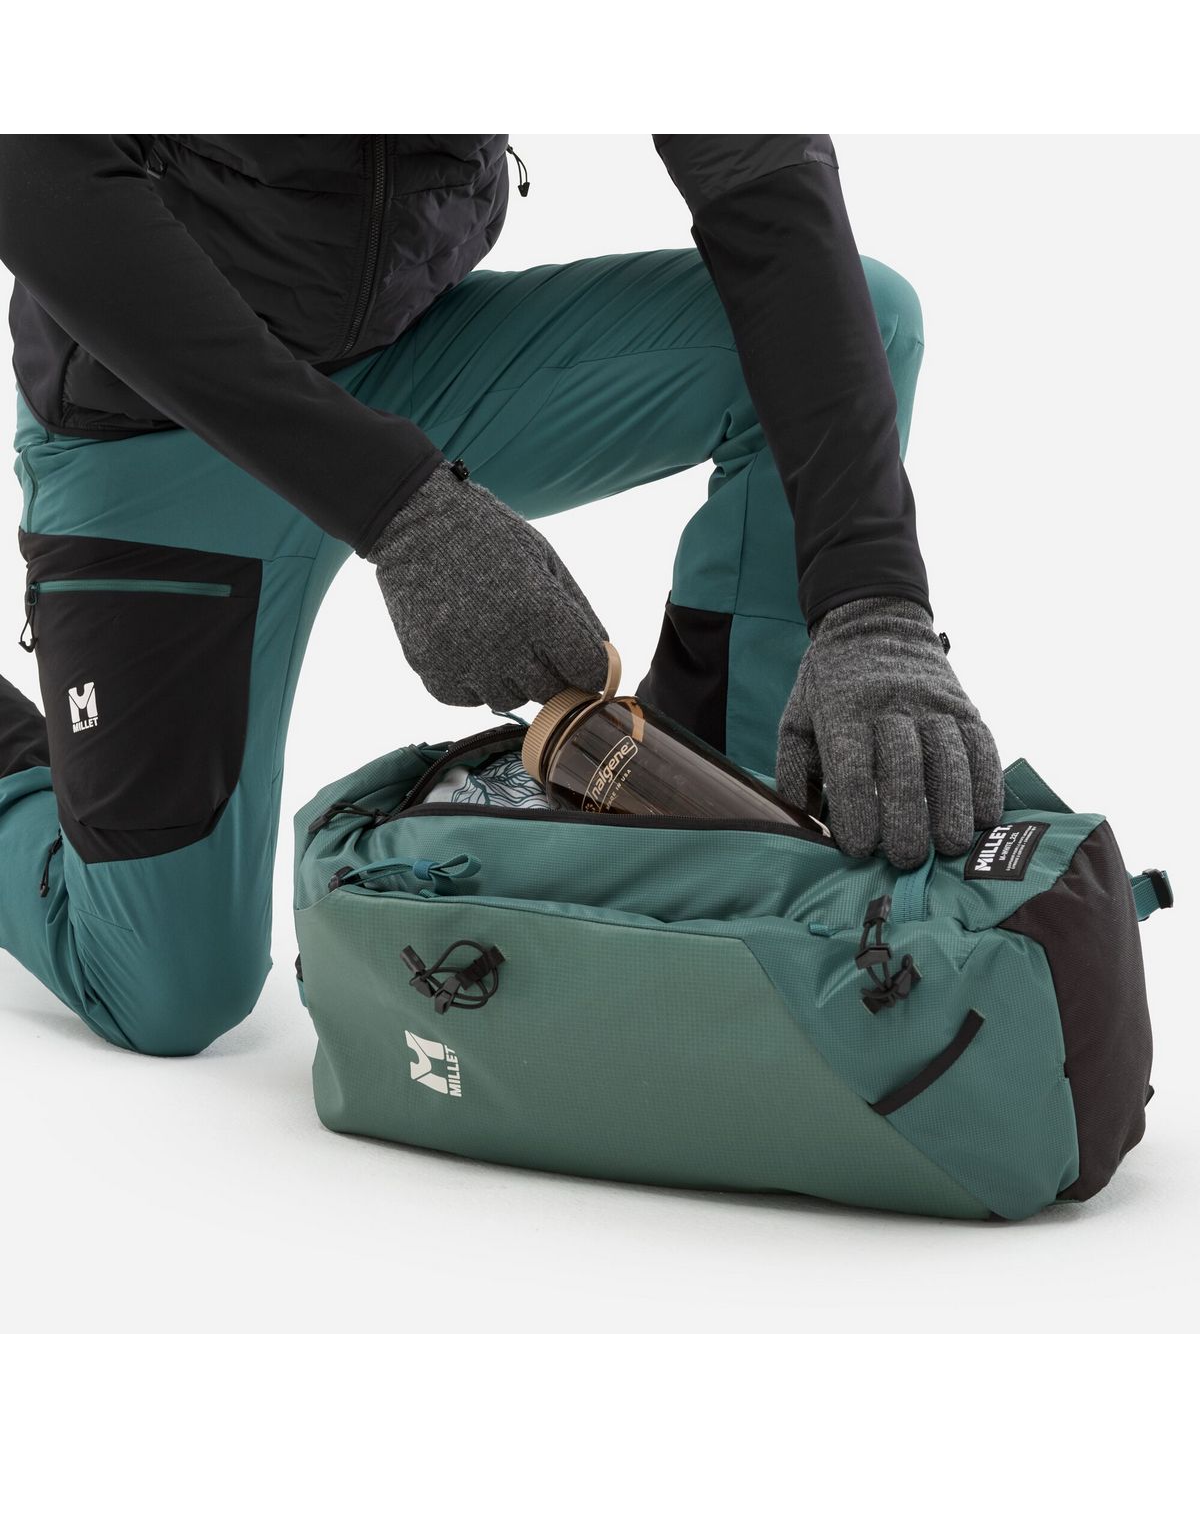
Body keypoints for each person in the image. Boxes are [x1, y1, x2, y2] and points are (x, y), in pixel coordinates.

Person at [0, 134, 1002, 1057]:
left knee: (858, 325)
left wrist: (874, 604)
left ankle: (710, 864)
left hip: (406, 367)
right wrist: (398, 507)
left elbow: (760, 178)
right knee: (167, 992)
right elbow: (36, 172)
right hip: (155, 419)